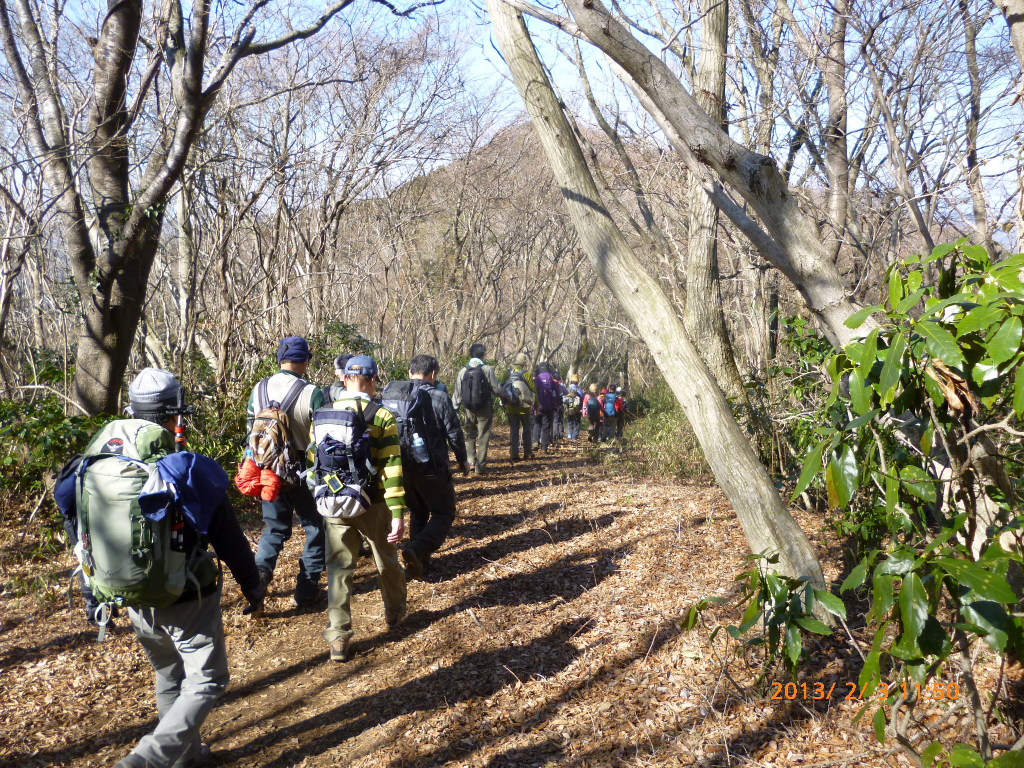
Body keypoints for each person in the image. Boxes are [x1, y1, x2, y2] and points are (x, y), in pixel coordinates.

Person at [55, 368, 265, 768]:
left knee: (169, 674)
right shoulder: (183, 467)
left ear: (132, 410)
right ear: (175, 417)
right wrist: (253, 587)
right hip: (186, 594)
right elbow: (229, 538)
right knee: (207, 678)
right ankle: (147, 759)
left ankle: (186, 758)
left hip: (128, 592)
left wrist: (90, 587)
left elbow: (76, 522)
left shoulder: (95, 461)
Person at [317, 355, 408, 662]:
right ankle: (396, 615)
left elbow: (311, 461)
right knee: (386, 560)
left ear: (345, 379)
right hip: (373, 502)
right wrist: (398, 512)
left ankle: (338, 637)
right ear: (371, 381)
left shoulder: (324, 413)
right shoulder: (381, 415)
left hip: (334, 502)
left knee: (339, 570)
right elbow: (391, 466)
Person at [246, 336, 326, 606]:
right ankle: (306, 590)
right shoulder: (312, 392)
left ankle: (258, 580)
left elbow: (251, 434)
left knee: (275, 528)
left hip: (268, 471)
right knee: (315, 526)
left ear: (279, 359)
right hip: (303, 471)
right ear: (304, 361)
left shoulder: (258, 389)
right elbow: (323, 436)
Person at [397, 354, 470, 580]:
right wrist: (463, 460)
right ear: (433, 374)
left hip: (403, 468)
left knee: (418, 511)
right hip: (432, 469)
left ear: (410, 373)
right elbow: (454, 433)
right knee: (444, 513)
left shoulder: (395, 396)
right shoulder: (439, 397)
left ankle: (420, 563)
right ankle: (417, 550)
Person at [453, 343, 501, 474]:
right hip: (484, 407)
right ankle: (480, 467)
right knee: (483, 437)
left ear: (470, 355)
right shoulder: (487, 369)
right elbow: (496, 389)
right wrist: (507, 396)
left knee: (470, 435)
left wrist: (455, 409)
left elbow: (457, 393)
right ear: (483, 354)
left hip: (468, 408)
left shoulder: (463, 370)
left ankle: (471, 462)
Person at [504, 352, 536, 463]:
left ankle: (514, 454)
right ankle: (527, 452)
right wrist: (536, 405)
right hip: (525, 408)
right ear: (523, 363)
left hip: (511, 408)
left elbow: (502, 387)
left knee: (514, 430)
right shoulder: (526, 374)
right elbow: (533, 390)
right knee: (527, 430)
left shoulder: (507, 373)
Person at [533, 362, 559, 452]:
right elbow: (557, 393)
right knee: (546, 427)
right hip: (548, 407)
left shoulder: (536, 379)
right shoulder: (551, 380)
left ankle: (535, 442)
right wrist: (558, 403)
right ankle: (544, 448)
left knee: (536, 424)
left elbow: (532, 392)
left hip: (537, 406)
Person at [564, 375, 583, 442]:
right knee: (576, 422)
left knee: (570, 420)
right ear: (577, 382)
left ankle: (569, 434)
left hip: (568, 408)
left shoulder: (567, 389)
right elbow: (582, 400)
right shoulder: (579, 390)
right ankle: (574, 438)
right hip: (577, 409)